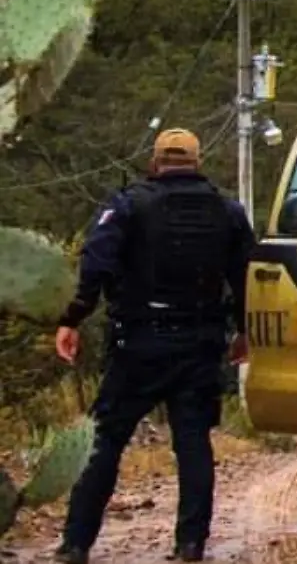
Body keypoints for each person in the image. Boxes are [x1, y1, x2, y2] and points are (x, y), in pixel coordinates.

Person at [51, 129, 256, 564]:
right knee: (193, 442)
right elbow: (247, 278)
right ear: (197, 162)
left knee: (105, 441)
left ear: (155, 162)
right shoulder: (228, 211)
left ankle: (76, 544)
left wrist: (72, 318)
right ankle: (190, 544)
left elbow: (96, 264)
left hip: (138, 344)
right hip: (200, 342)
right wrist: (245, 331)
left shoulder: (126, 205)